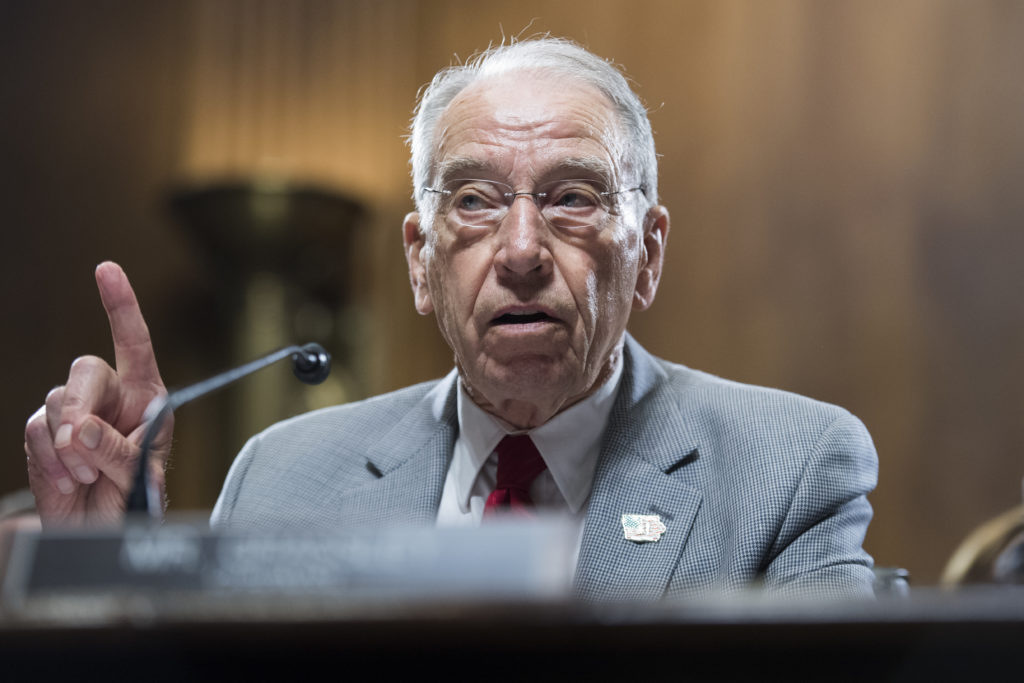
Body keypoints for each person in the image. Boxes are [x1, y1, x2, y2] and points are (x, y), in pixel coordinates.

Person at [23, 38, 878, 600]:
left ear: (648, 252)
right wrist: (100, 576)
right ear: (419, 263)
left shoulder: (790, 470)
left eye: (572, 197)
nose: (519, 249)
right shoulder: (281, 478)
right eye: (472, 201)